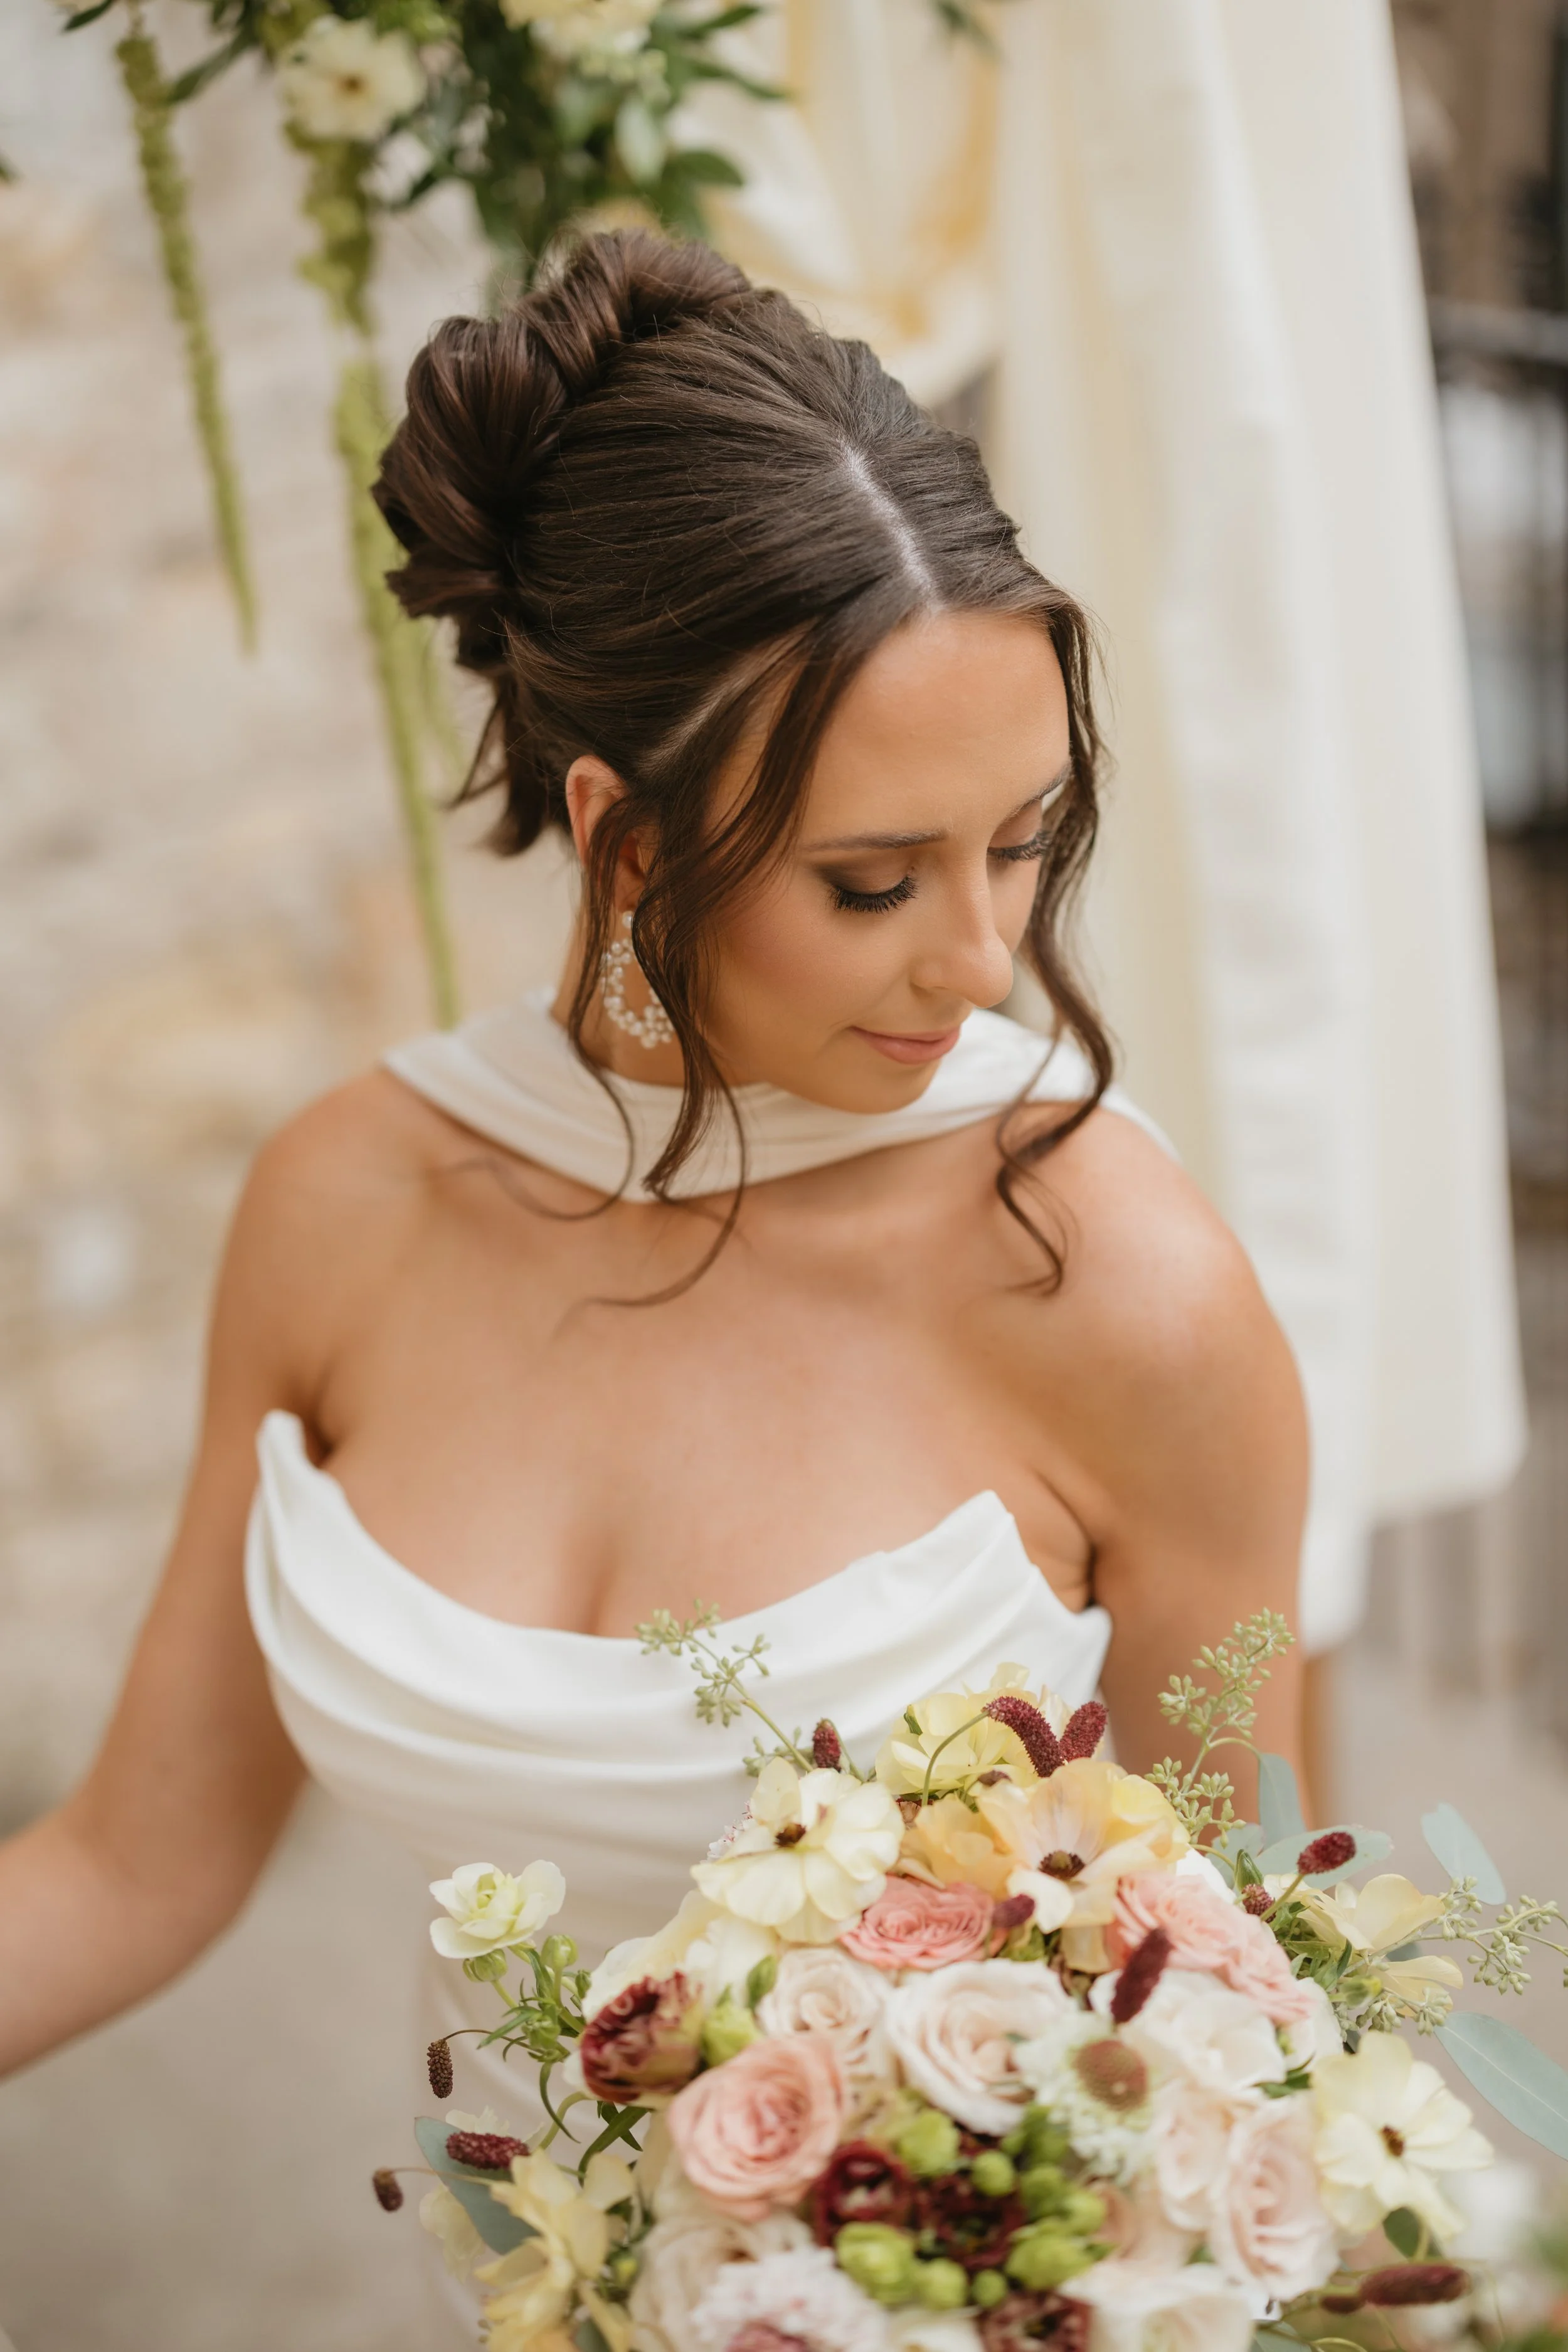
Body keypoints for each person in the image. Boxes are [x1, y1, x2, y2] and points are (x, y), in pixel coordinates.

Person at [0, 231, 1304, 2290]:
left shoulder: (1119, 1292)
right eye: (873, 880)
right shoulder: (343, 1205)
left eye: (1025, 836)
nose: (983, 964)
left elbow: (1234, 2007)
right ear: (620, 833)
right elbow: (131, 1864)